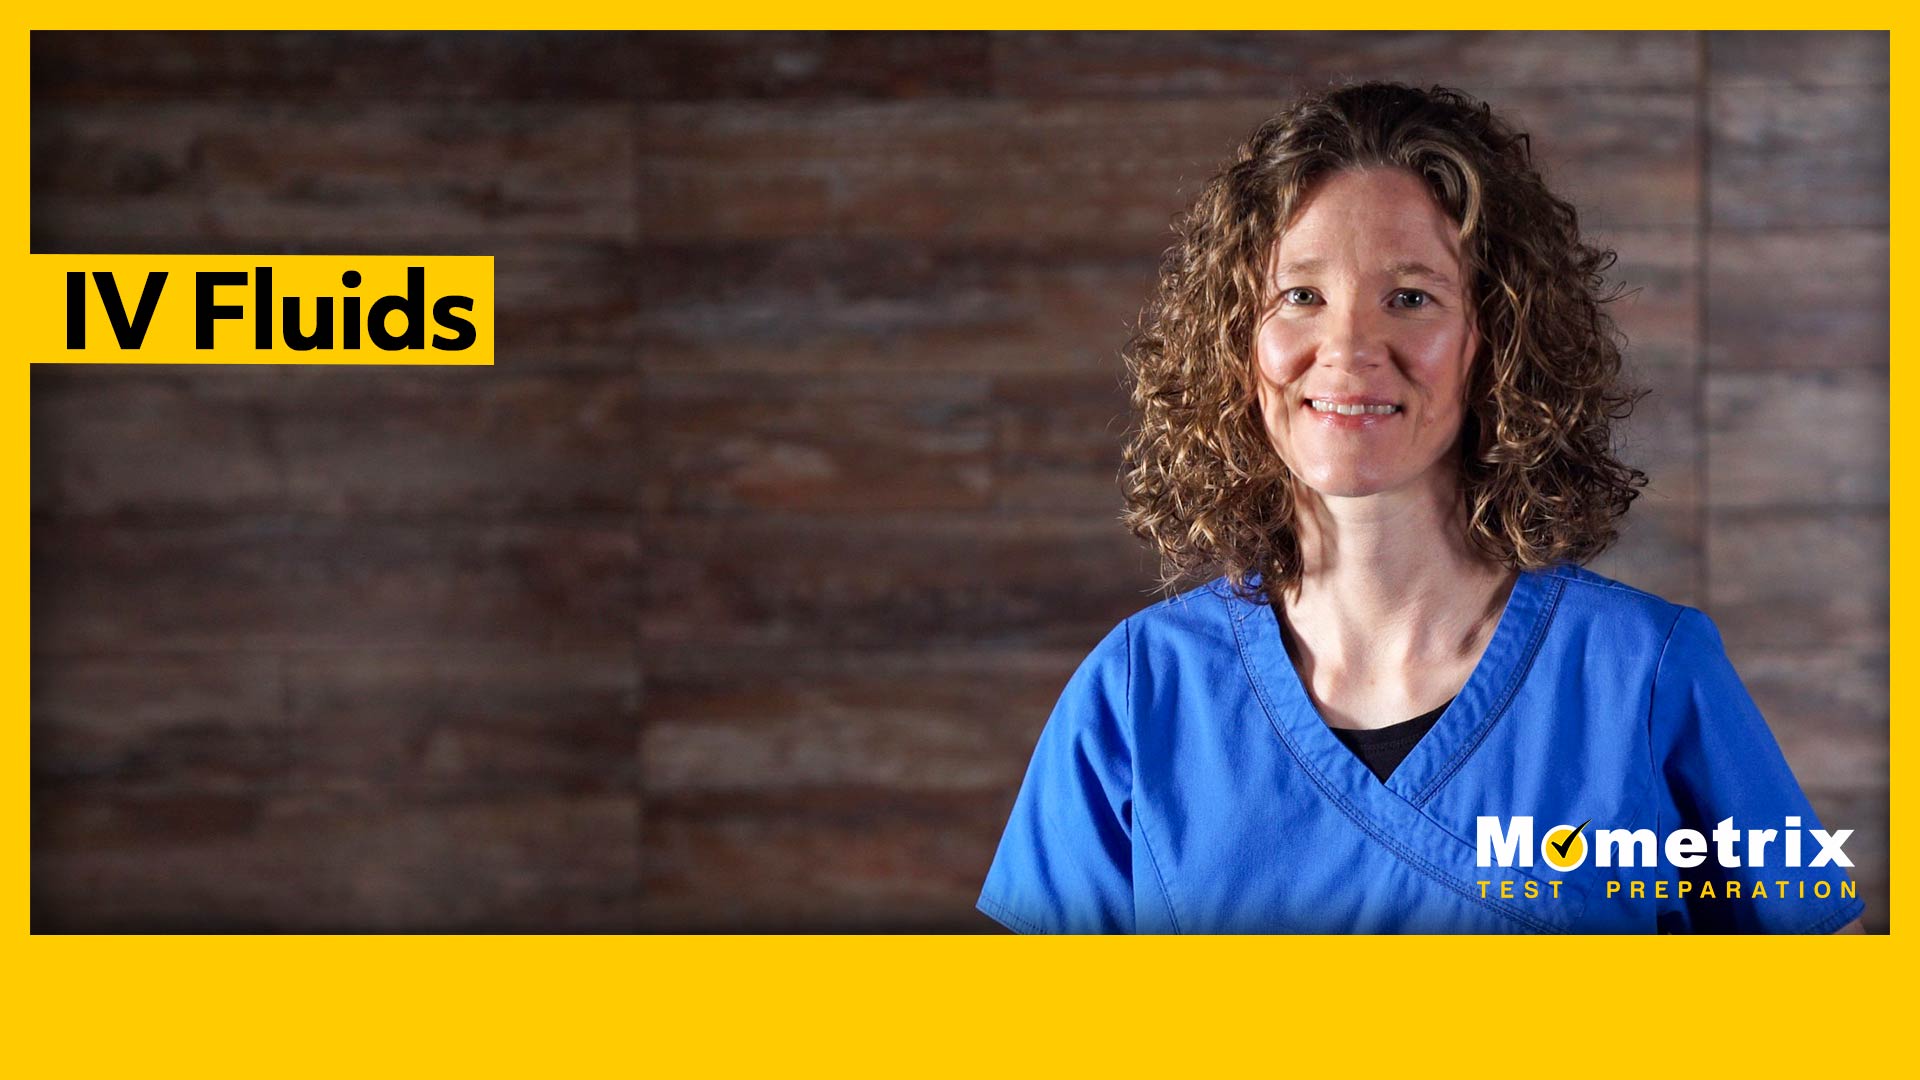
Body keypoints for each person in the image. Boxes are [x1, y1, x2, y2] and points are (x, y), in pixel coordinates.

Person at [977, 81, 1866, 934]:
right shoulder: (1139, 693)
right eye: (1300, 296)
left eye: (1411, 298)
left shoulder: (1646, 675)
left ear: (1499, 340)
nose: (1351, 349)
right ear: (1235, 341)